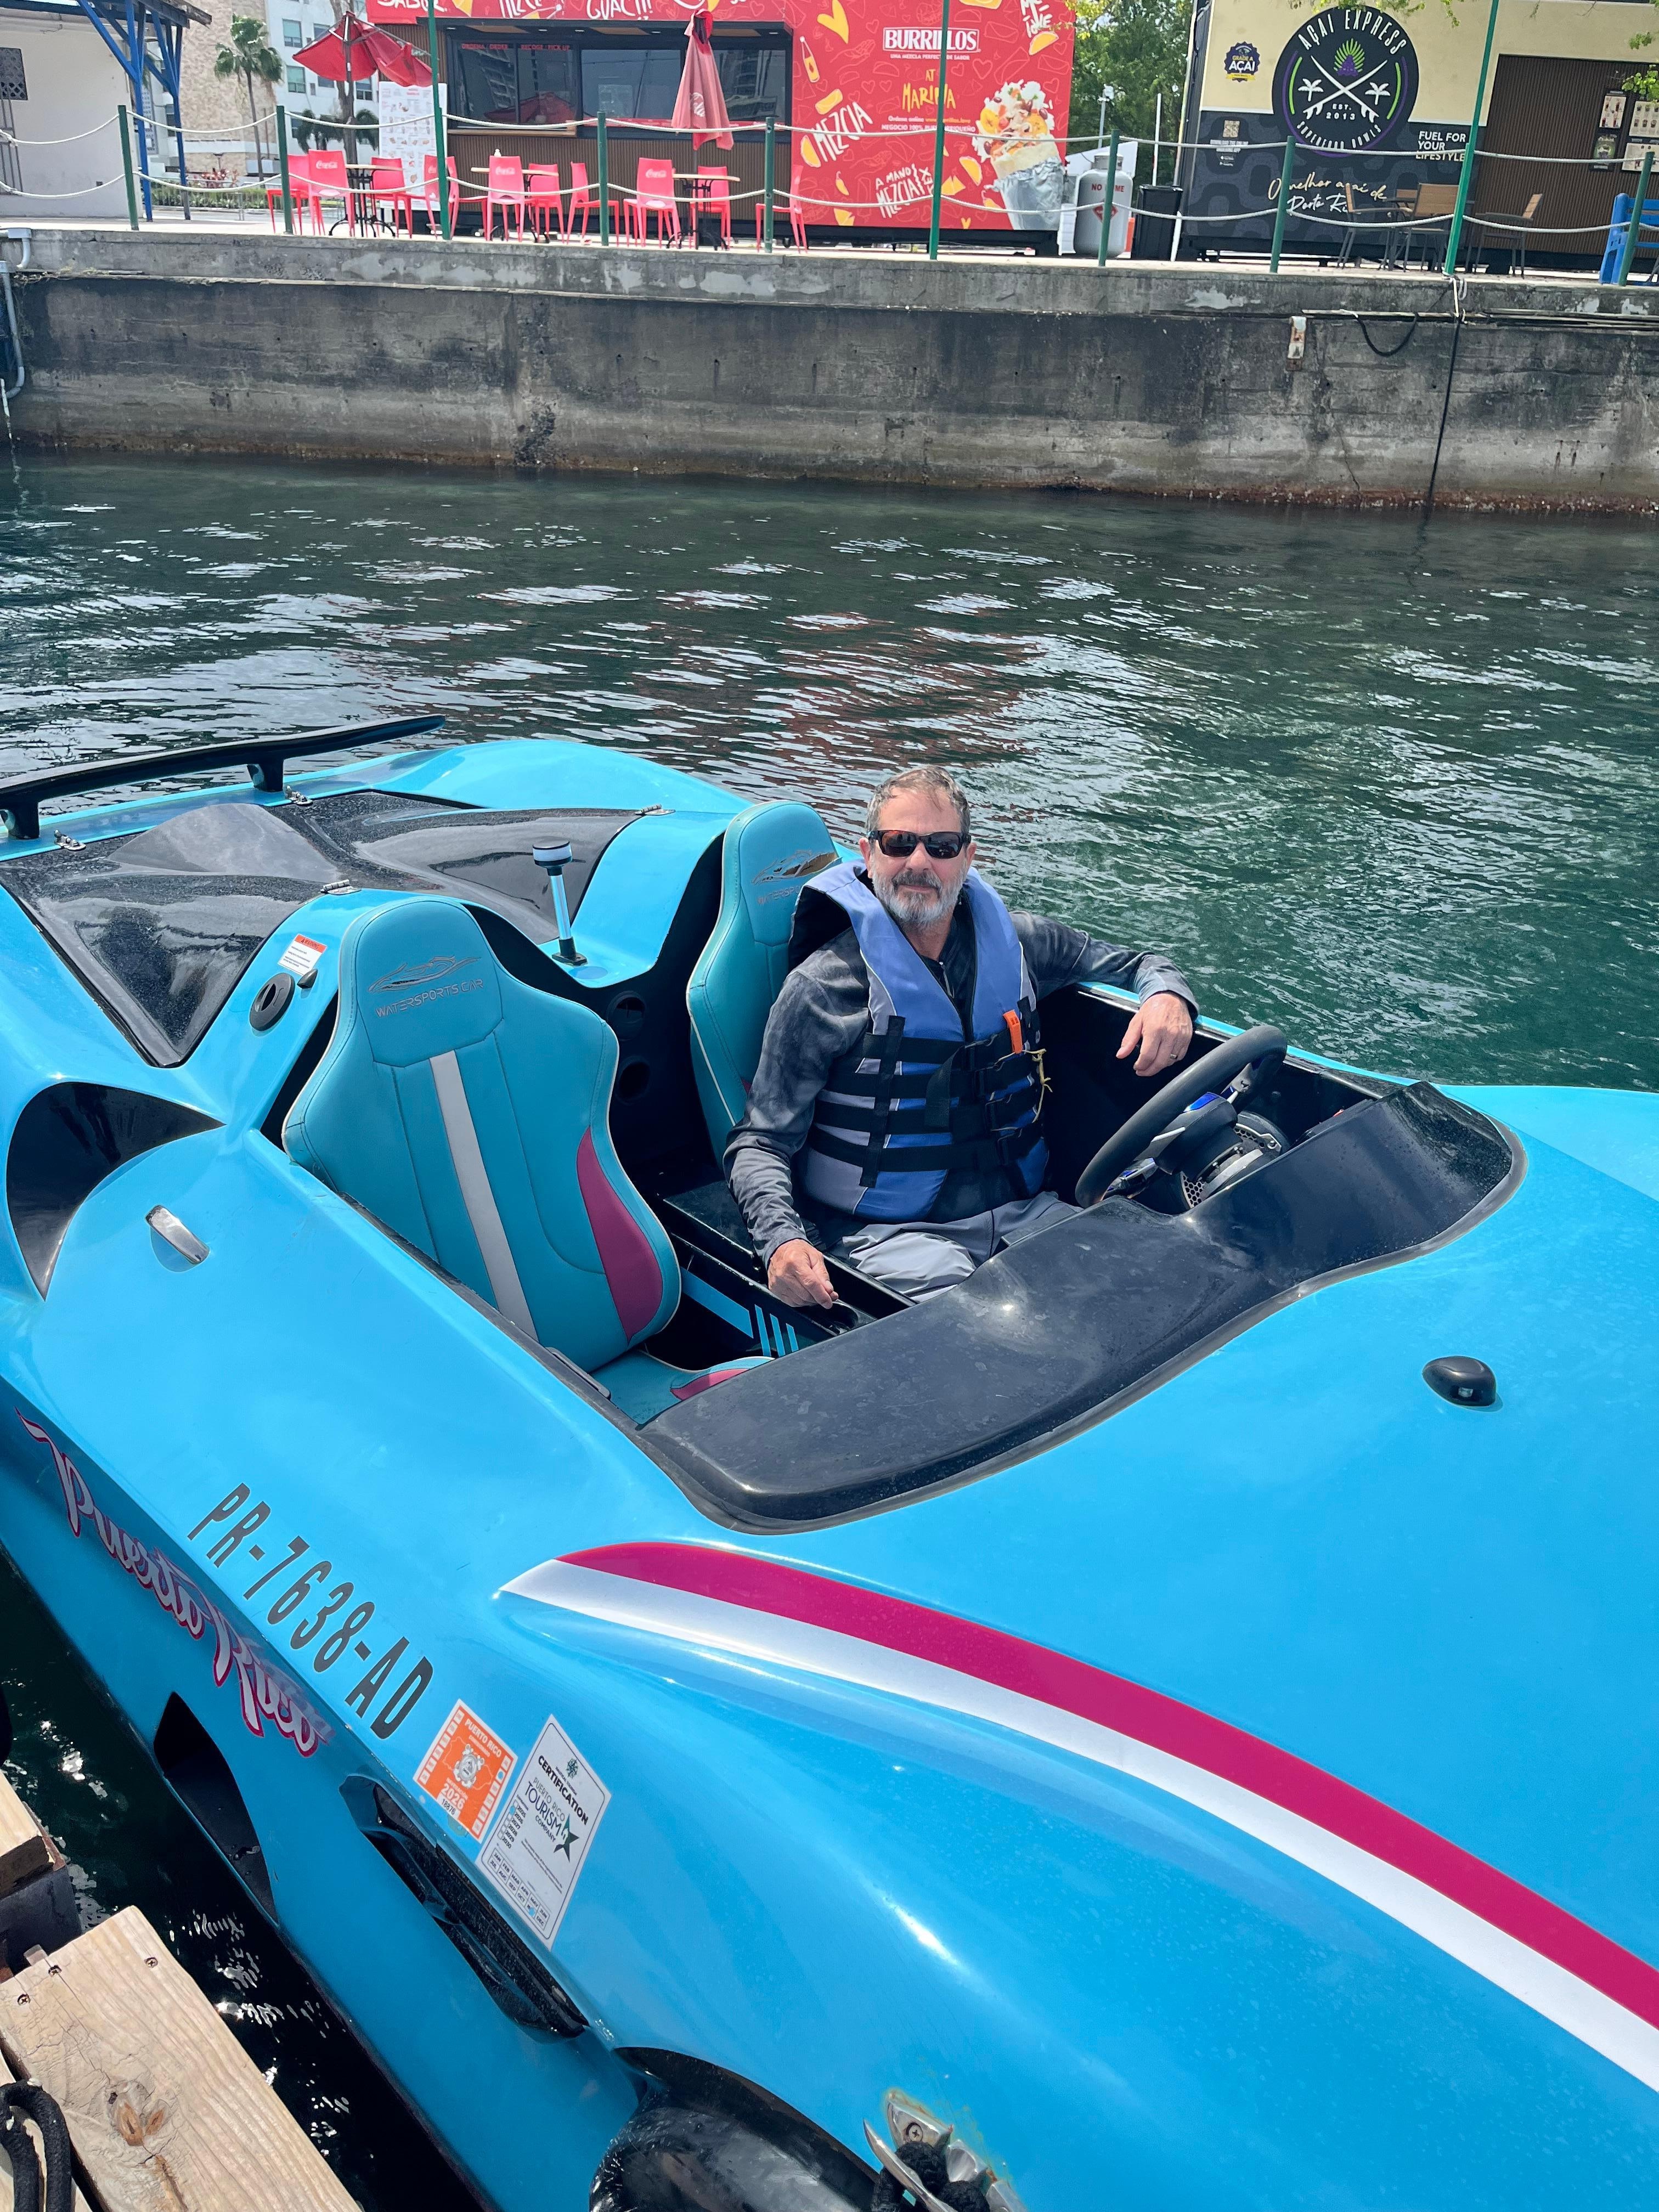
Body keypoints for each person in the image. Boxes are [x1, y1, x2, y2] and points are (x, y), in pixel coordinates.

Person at [725, 765, 1196, 1307]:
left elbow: (1137, 962)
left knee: (1151, 1290)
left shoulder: (1020, 943)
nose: (919, 863)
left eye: (942, 846)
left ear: (968, 858)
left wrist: (1165, 995)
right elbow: (760, 1142)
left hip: (1027, 1216)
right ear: (868, 854)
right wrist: (780, 1242)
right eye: (899, 843)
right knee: (990, 1336)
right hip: (890, 1239)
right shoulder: (823, 989)